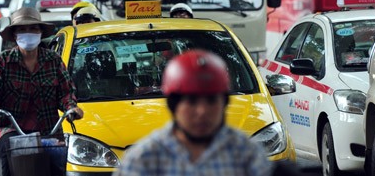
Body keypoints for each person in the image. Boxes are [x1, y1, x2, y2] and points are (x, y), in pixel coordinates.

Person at [113, 49, 273, 176]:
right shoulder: (143, 159)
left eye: (211, 101)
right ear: (173, 105)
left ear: (223, 103)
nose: (202, 112)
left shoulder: (246, 154)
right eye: (192, 101)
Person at [0, 7, 84, 176]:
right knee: (12, 149)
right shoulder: (3, 61)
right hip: (9, 129)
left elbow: (66, 91)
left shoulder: (53, 60)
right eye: (22, 29)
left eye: (33, 28)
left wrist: (71, 108)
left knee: (57, 162)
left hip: (47, 131)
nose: (28, 33)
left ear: (41, 33)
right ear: (14, 35)